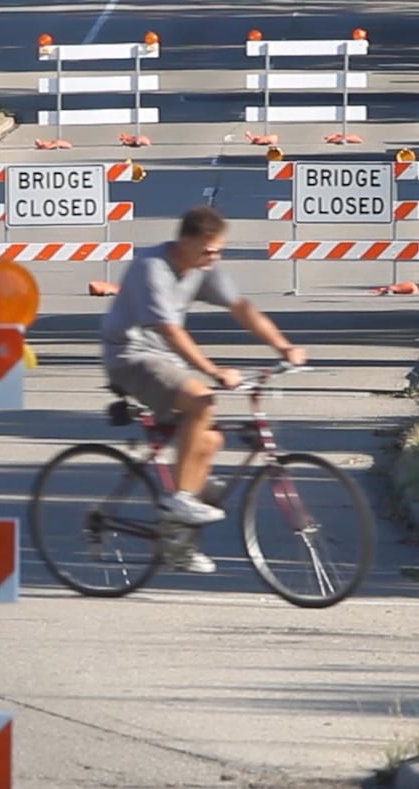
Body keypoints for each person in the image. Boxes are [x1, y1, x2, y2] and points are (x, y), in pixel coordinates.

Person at [99, 205, 307, 572]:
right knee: (201, 400)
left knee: (210, 442)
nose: (215, 257)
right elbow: (170, 331)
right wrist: (214, 370)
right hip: (131, 357)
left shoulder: (200, 268)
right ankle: (179, 501)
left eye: (219, 250)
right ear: (185, 241)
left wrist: (284, 347)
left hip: (166, 361)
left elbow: (243, 309)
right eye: (208, 250)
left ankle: (177, 540)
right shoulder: (153, 268)